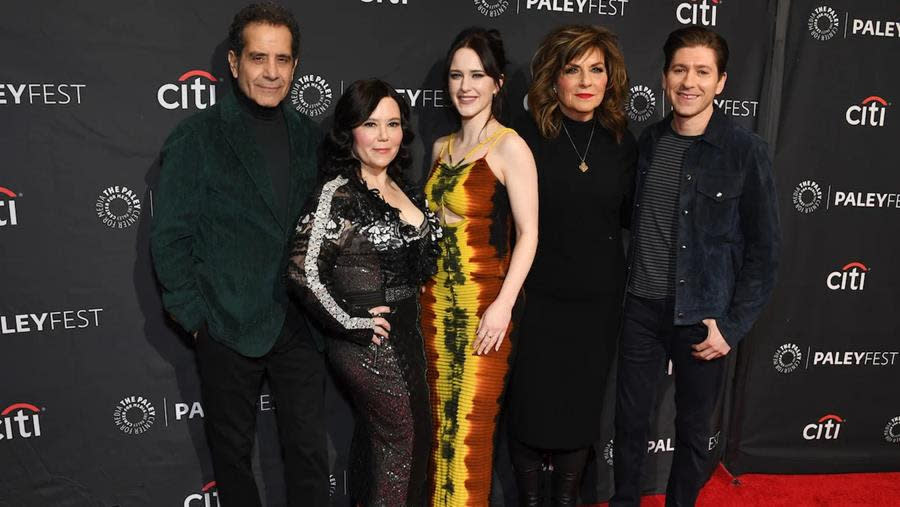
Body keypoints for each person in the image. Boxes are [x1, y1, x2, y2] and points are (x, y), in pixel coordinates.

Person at [150, 4, 328, 506]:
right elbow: (170, 236)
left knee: (310, 457)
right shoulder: (197, 137)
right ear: (234, 63)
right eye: (258, 58)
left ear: (294, 66)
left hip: (300, 326)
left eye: (282, 59)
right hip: (226, 324)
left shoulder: (311, 138)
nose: (271, 72)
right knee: (231, 459)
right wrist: (196, 318)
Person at [611, 26, 780, 507]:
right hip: (641, 309)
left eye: (702, 71)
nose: (690, 81)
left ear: (721, 81)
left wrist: (731, 326)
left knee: (692, 429)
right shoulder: (648, 144)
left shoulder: (746, 152)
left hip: (703, 318)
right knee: (629, 426)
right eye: (680, 69)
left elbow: (765, 255)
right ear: (664, 77)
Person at [286, 79, 441, 506]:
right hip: (371, 343)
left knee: (390, 443)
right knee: (404, 441)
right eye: (371, 124)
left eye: (393, 124)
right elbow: (302, 271)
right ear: (349, 131)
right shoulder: (338, 194)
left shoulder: (402, 187)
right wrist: (353, 322)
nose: (384, 136)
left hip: (408, 332)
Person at [506, 25, 636, 507]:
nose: (586, 80)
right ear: (553, 78)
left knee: (581, 410)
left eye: (596, 69)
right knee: (528, 407)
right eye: (572, 68)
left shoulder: (624, 141)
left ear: (610, 78)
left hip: (598, 303)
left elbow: (630, 218)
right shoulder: (523, 139)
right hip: (535, 299)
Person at [422, 27, 539, 506]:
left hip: (484, 315)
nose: (465, 86)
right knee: (436, 435)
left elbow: (529, 234)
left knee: (469, 434)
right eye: (456, 75)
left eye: (477, 74)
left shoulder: (509, 147)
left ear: (496, 83)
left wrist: (502, 307)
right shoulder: (439, 148)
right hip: (431, 311)